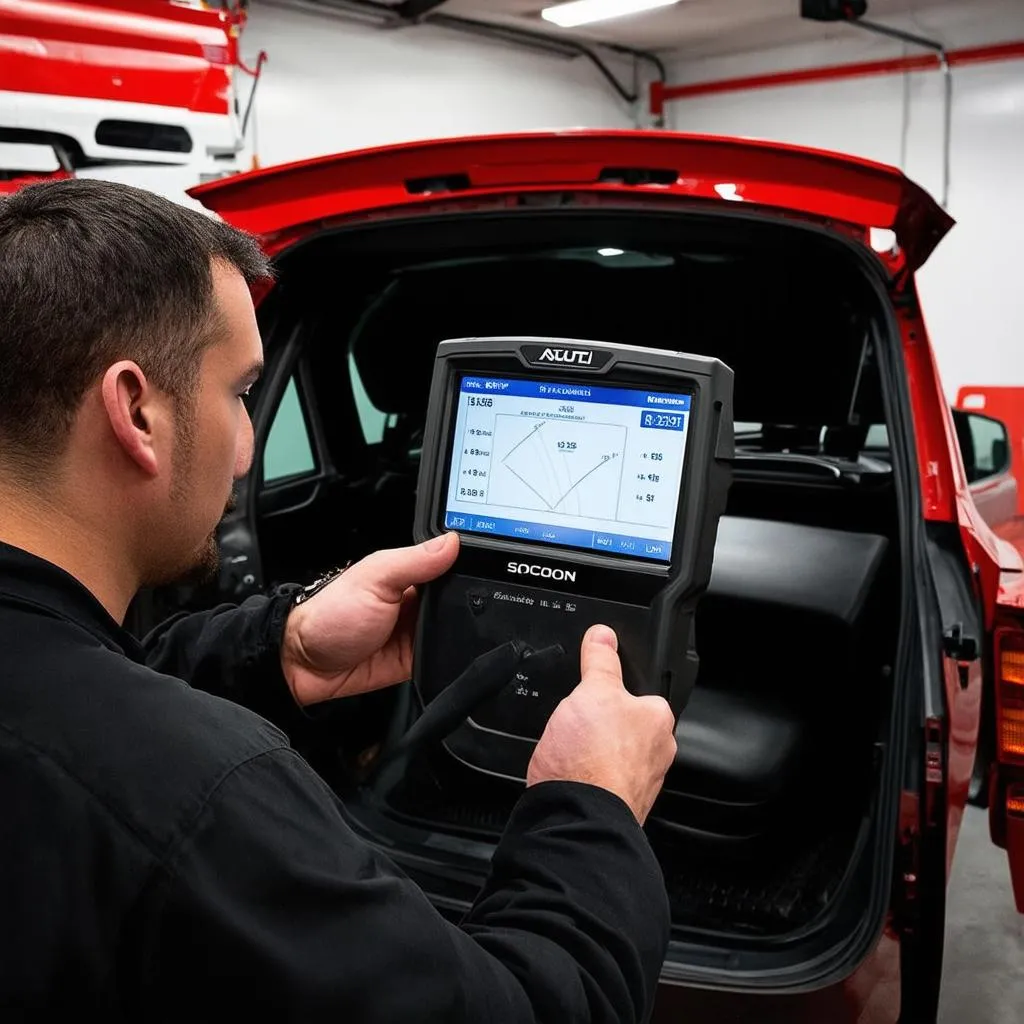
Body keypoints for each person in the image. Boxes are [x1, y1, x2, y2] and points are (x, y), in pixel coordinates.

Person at [0, 178, 678, 1021]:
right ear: (136, 410)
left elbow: (70, 709)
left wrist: (280, 647)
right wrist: (592, 807)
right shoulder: (206, 800)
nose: (248, 449)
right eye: (241, 394)